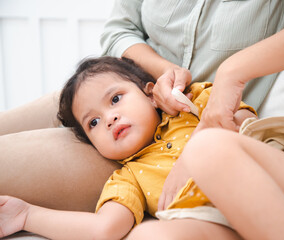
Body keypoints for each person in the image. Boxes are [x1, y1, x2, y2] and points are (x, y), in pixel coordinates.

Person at [0, 0, 284, 224]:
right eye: (95, 122)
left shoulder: (133, 171)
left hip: (182, 120)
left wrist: (234, 72)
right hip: (130, 92)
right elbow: (118, 31)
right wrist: (159, 74)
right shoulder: (115, 123)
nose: (106, 119)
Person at [0, 56, 257, 239]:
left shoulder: (189, 105)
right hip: (218, 225)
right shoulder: (129, 178)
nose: (109, 119)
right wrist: (26, 215)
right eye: (94, 122)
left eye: (115, 99)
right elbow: (104, 229)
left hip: (259, 185)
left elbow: (246, 123)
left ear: (151, 94)